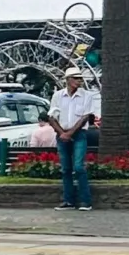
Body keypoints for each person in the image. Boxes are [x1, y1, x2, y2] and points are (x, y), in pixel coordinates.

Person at [51, 65, 98, 209]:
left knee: (78, 167)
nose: (79, 81)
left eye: (80, 78)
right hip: (62, 134)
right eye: (76, 78)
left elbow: (85, 117)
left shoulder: (86, 95)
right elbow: (52, 117)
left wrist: (69, 133)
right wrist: (62, 133)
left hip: (78, 134)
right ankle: (68, 201)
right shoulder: (58, 95)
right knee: (65, 169)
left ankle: (85, 201)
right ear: (68, 80)